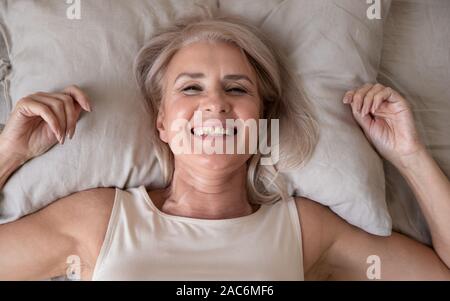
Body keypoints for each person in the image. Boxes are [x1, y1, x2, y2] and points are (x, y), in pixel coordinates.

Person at [0, 16, 449, 281]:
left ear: (261, 120)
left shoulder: (303, 227)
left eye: (236, 89)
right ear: (161, 121)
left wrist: (409, 155)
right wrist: (12, 151)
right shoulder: (100, 218)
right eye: (191, 89)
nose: (215, 104)